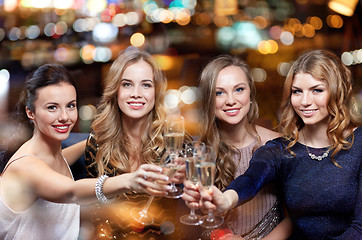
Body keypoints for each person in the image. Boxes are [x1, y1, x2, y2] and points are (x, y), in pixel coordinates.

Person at [183, 49, 361, 239]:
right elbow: (250, 180)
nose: (305, 101)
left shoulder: (358, 143)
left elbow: (359, 227)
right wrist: (226, 199)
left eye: (317, 90)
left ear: (336, 91)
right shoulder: (281, 149)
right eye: (297, 92)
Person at [0, 64, 171, 240]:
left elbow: (59, 162)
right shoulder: (26, 166)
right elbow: (72, 191)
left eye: (70, 105)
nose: (64, 116)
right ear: (31, 112)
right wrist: (131, 180)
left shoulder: (48, 157)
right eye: (52, 107)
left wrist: (103, 138)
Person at [83, 49, 189, 239]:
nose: (136, 94)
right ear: (115, 90)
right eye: (127, 84)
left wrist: (186, 181)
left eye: (146, 85)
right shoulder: (97, 143)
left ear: (156, 91)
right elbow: (93, 210)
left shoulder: (178, 142)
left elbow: (193, 210)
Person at [187, 55, 284, 239]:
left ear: (250, 94)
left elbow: (294, 218)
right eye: (219, 93)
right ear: (209, 100)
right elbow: (200, 217)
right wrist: (222, 235)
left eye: (239, 89)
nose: (230, 100)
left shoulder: (278, 145)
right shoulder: (198, 153)